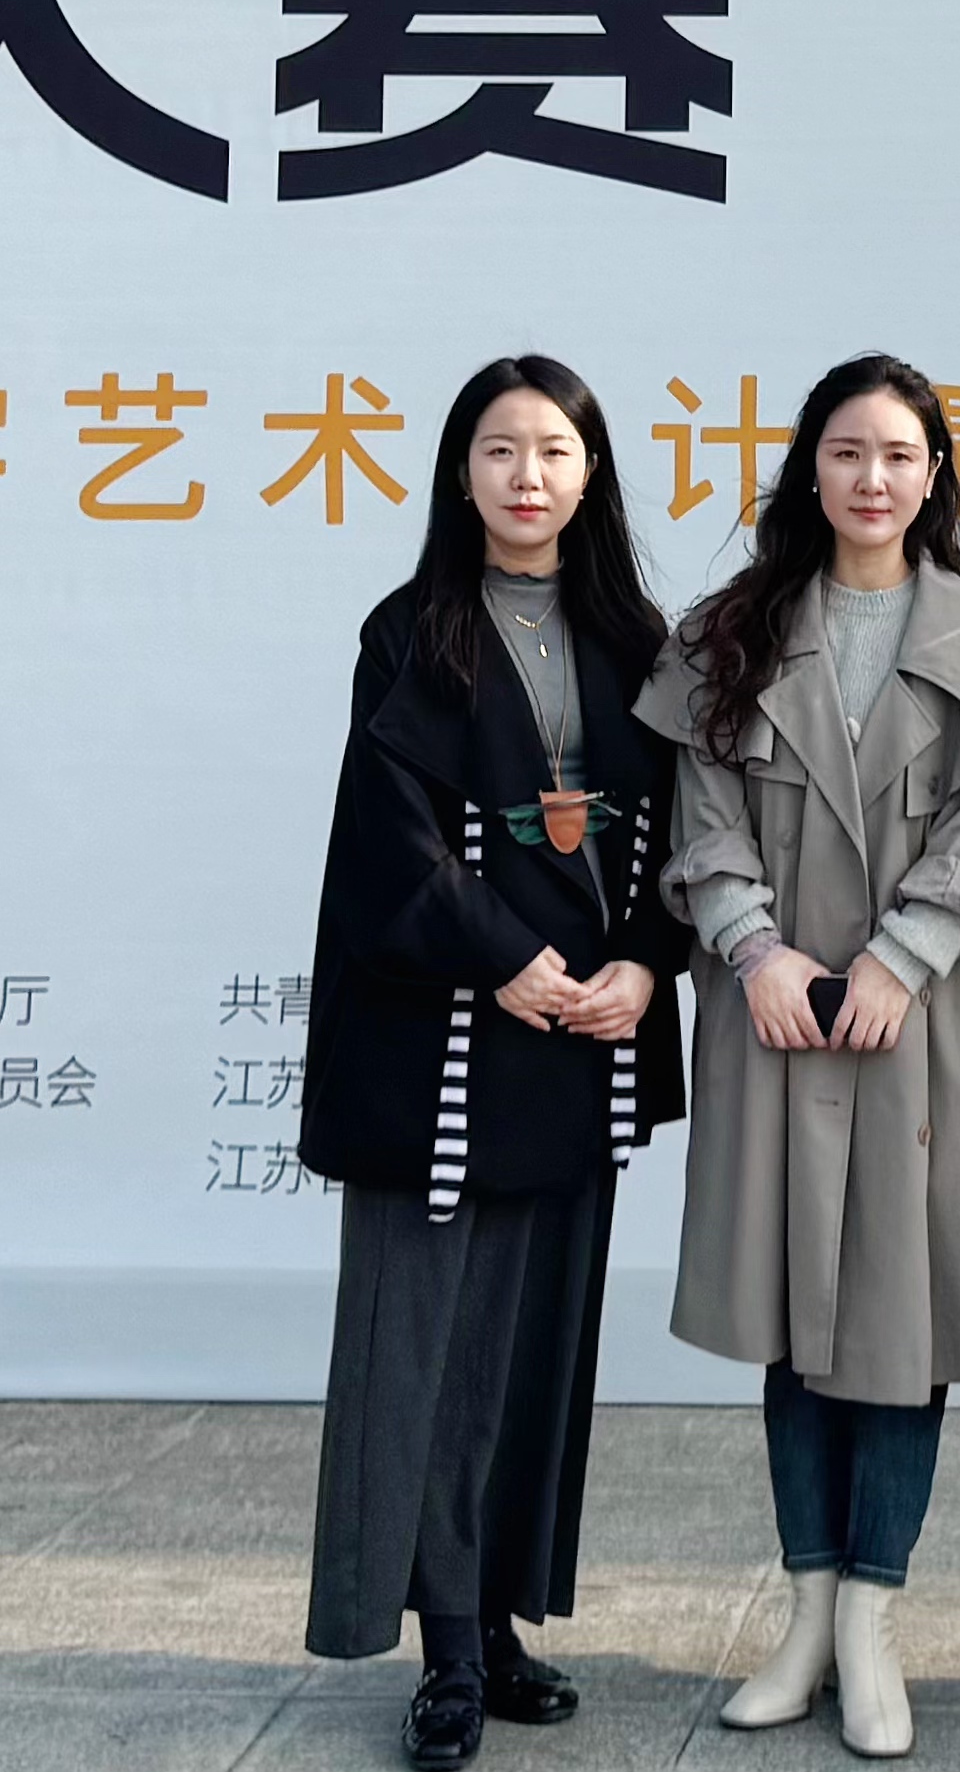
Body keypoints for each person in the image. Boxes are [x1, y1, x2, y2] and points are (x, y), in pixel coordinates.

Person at [657, 355, 960, 1760]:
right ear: (810, 469)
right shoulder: (729, 631)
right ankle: (804, 1612)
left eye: (900, 454)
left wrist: (902, 956)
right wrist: (754, 949)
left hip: (925, 1024)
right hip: (778, 1017)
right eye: (847, 452)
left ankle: (870, 1622)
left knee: (905, 1325)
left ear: (934, 475)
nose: (872, 478)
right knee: (793, 1314)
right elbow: (700, 813)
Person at [299, 357, 695, 1771]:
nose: (528, 476)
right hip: (449, 1042)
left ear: (592, 475)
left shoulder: (637, 638)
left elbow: (687, 831)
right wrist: (504, 960)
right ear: (459, 473)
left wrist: (645, 962)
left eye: (555, 451)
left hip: (582, 1039)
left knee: (535, 1355)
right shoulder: (412, 630)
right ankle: (447, 1648)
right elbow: (387, 842)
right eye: (499, 449)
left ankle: (504, 1618)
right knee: (428, 1354)